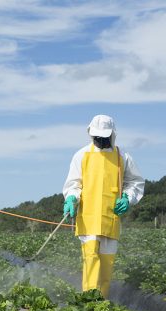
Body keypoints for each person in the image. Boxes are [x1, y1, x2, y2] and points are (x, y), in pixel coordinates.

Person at [62, 114, 144, 298]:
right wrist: (71, 199)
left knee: (106, 266)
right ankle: (89, 304)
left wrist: (127, 198)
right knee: (91, 261)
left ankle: (102, 305)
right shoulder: (82, 155)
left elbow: (135, 182)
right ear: (91, 134)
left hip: (111, 218)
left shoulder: (122, 157)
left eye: (104, 137)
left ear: (112, 135)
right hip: (88, 219)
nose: (100, 140)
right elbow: (74, 184)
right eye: (97, 137)